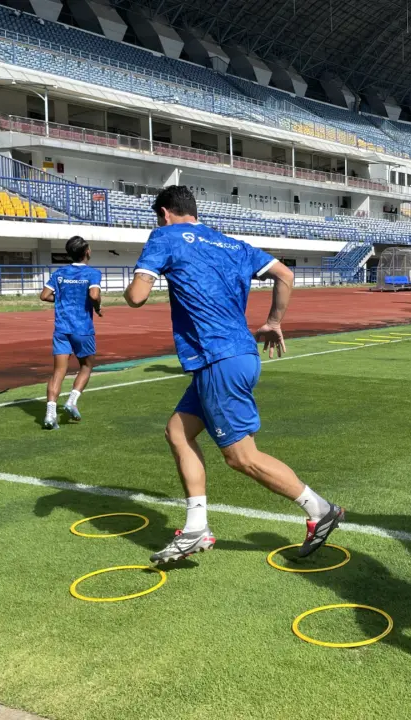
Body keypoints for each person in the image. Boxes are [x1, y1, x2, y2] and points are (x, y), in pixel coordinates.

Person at [124, 186, 344, 564]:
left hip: (217, 358)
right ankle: (197, 526)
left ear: (164, 213)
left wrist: (142, 276)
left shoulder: (164, 236)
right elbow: (285, 274)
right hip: (237, 354)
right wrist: (274, 321)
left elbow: (136, 297)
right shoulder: (231, 243)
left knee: (242, 457)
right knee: (177, 431)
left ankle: (320, 510)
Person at [39, 236, 103, 430]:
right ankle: (72, 400)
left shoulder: (59, 273)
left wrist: (61, 300)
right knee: (87, 365)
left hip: (61, 329)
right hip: (82, 329)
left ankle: (50, 415)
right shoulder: (92, 273)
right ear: (87, 252)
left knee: (58, 372)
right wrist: (97, 307)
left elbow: (44, 295)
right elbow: (94, 295)